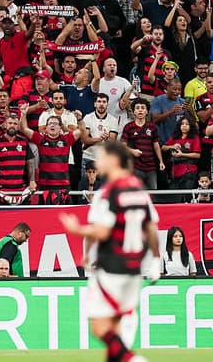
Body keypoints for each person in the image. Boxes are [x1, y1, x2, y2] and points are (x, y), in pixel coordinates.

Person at [60, 141, 160, 362]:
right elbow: (151, 227)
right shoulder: (138, 189)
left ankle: (132, 359)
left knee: (99, 326)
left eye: (102, 157)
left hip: (111, 266)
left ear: (114, 160)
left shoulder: (108, 193)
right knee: (117, 328)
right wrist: (155, 259)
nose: (98, 161)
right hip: (134, 269)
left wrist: (77, 230)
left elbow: (102, 231)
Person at [121, 99, 164, 190]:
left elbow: (156, 145)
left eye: (143, 108)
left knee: (153, 193)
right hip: (135, 166)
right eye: (137, 108)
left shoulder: (152, 127)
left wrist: (161, 161)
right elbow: (122, 146)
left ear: (147, 111)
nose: (140, 110)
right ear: (134, 111)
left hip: (151, 166)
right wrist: (133, 151)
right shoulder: (128, 127)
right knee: (136, 193)